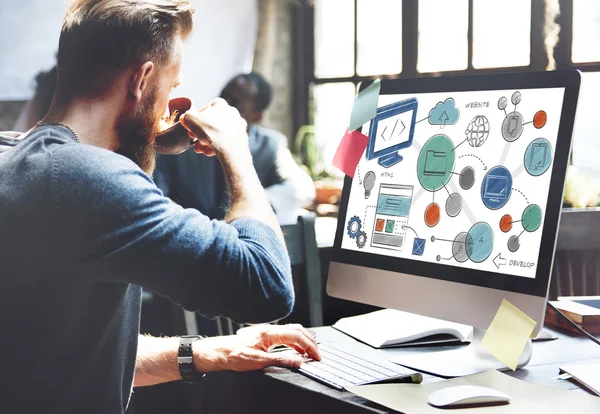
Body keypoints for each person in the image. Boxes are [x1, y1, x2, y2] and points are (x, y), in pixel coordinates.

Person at [0, 1, 319, 413]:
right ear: (142, 79)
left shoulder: (16, 156)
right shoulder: (88, 178)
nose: (168, 105)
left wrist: (215, 351)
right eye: (171, 86)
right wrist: (237, 151)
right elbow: (268, 286)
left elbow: (65, 354)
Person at [154, 72, 315, 223]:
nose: (224, 104)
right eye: (224, 95)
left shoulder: (270, 145)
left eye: (236, 101)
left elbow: (302, 189)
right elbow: (157, 195)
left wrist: (250, 204)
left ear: (257, 116)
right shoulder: (182, 139)